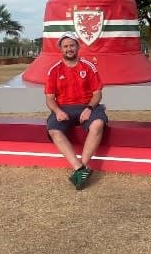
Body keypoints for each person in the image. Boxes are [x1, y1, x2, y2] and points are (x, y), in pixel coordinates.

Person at [45, 32, 108, 190]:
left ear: (78, 47)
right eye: (65, 46)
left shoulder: (88, 66)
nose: (69, 49)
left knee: (98, 123)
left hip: (86, 106)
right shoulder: (54, 70)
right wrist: (57, 111)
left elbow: (97, 94)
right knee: (53, 130)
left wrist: (89, 108)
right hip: (64, 108)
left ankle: (83, 167)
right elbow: (49, 98)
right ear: (61, 49)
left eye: (72, 45)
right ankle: (79, 168)